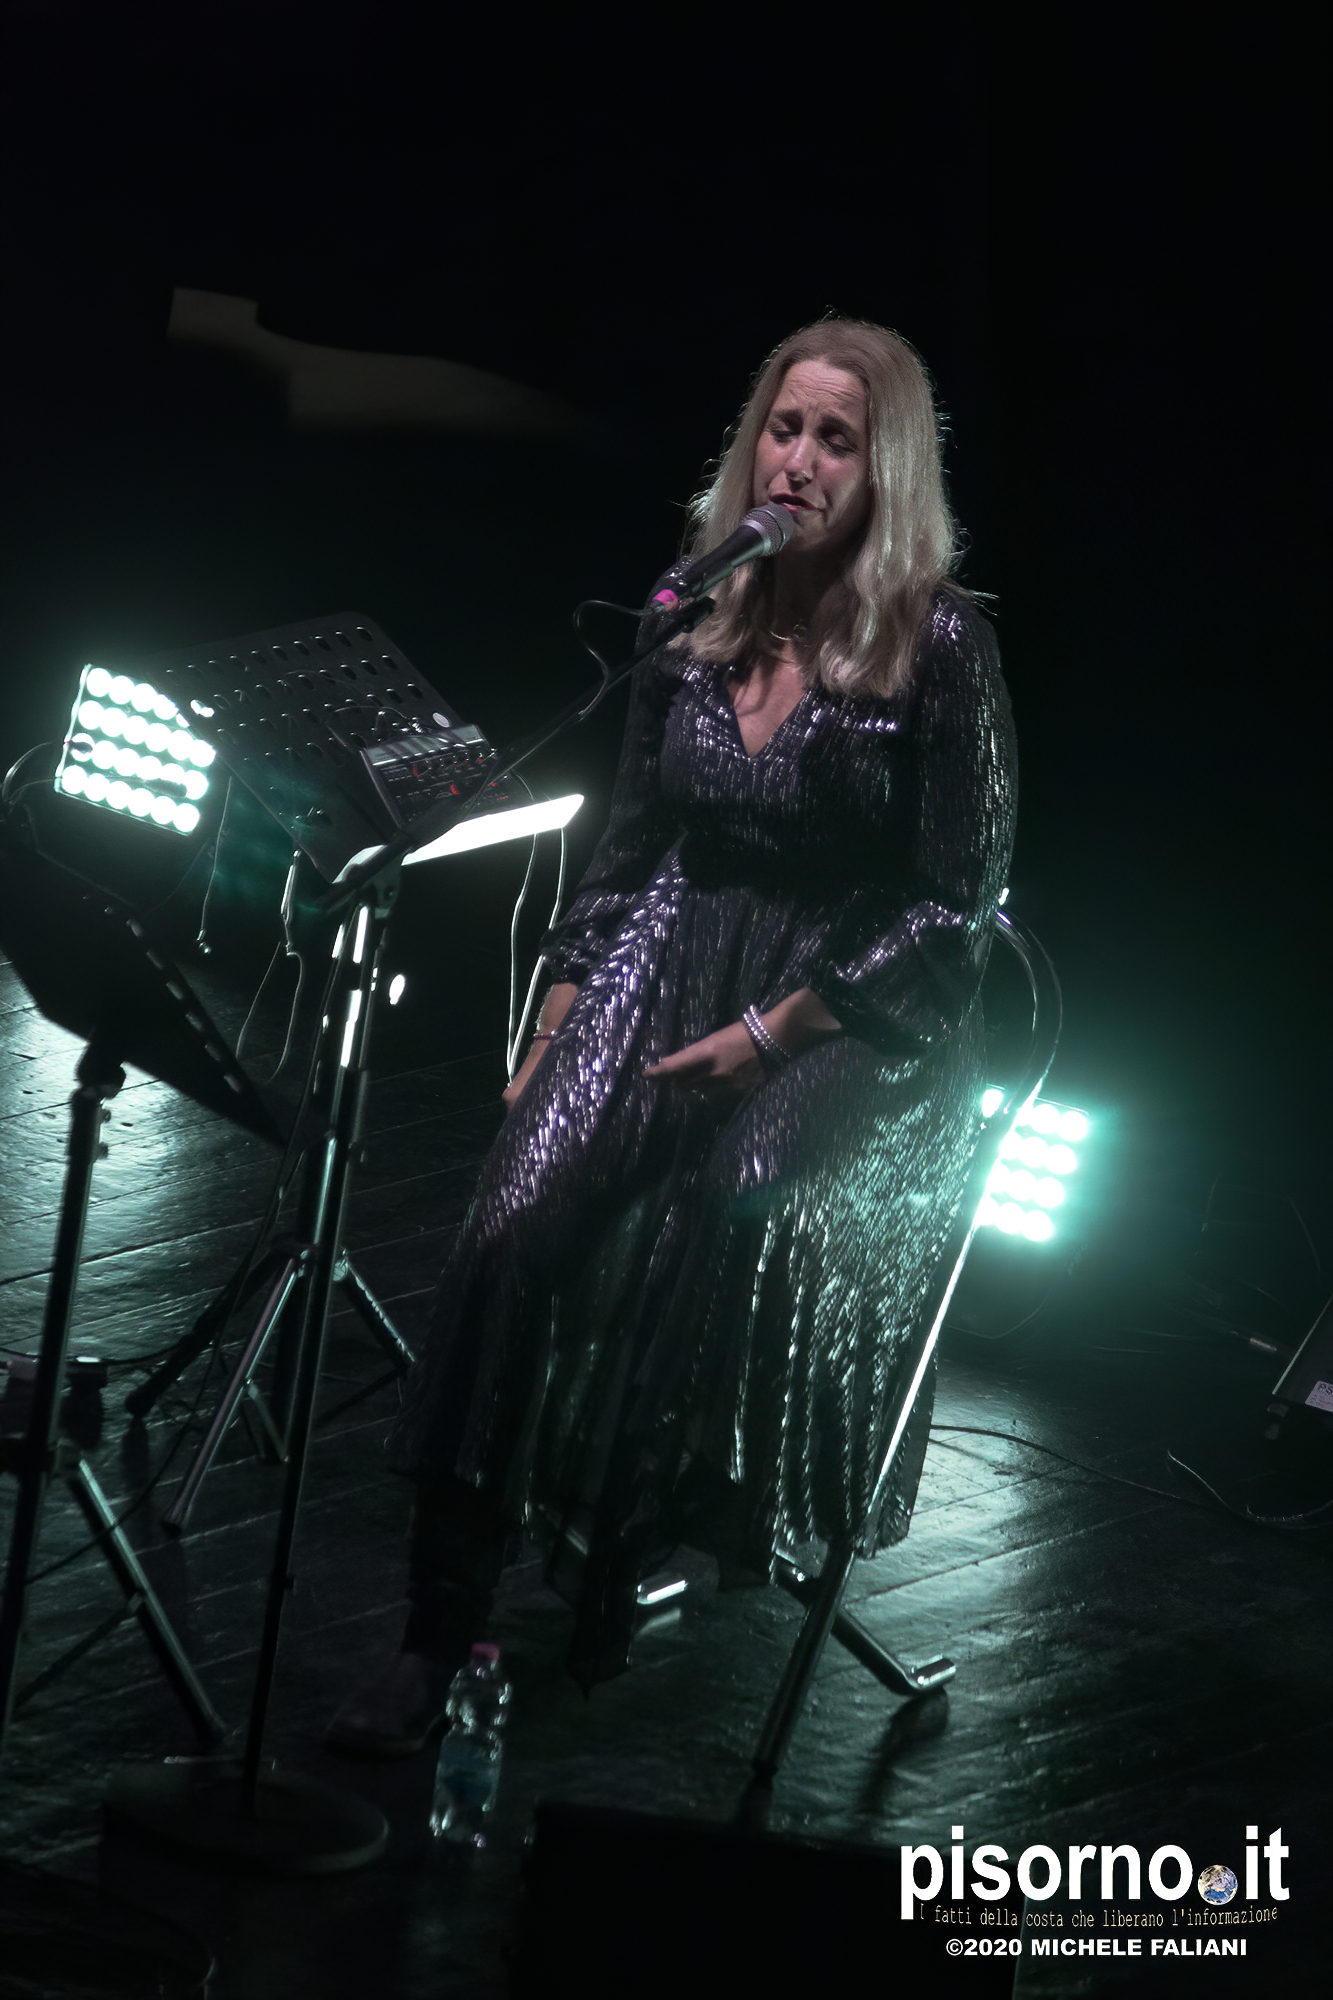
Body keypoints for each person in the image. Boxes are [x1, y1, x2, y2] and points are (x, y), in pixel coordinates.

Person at [328, 318, 1017, 1755]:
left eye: (837, 439)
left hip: (846, 999)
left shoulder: (942, 643)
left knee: (738, 1200)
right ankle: (437, 1623)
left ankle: (632, 1541)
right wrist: (558, 1014)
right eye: (784, 428)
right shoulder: (689, 617)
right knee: (514, 1223)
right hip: (672, 948)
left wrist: (773, 1036)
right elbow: (632, 846)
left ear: (886, 467)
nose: (799, 460)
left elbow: (957, 905)